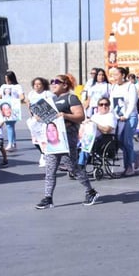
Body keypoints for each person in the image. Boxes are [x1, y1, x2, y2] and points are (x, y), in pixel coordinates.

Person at [34, 74, 99, 209]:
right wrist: (39, 116)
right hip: (52, 139)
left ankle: (90, 191)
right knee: (50, 169)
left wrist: (65, 115)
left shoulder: (71, 98)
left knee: (72, 167)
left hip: (67, 138)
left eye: (57, 81)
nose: (53, 83)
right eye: (52, 81)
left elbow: (80, 116)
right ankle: (48, 198)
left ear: (65, 85)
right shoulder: (51, 100)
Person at [108, 66, 139, 176]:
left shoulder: (130, 86)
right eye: (113, 75)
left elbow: (132, 102)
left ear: (122, 75)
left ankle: (129, 166)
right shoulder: (113, 87)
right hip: (118, 117)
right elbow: (111, 103)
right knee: (118, 141)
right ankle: (135, 156)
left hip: (130, 117)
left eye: (116, 75)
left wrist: (126, 115)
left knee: (127, 141)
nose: (114, 77)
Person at [78, 97, 117, 167]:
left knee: (86, 143)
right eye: (101, 104)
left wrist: (95, 124)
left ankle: (80, 164)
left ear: (109, 106)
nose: (103, 106)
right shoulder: (94, 116)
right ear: (98, 106)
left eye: (106, 104)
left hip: (104, 139)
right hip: (89, 137)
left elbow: (107, 130)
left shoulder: (111, 116)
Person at [0, 70, 25, 150]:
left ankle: (10, 143)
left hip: (13, 107)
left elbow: (21, 96)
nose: (6, 80)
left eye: (8, 78)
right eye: (5, 78)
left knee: (9, 125)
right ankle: (13, 143)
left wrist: (18, 100)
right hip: (4, 107)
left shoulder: (17, 86)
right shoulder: (3, 86)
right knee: (10, 126)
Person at [26, 77, 54, 167]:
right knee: (36, 140)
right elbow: (29, 104)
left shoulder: (47, 94)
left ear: (43, 85)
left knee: (45, 139)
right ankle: (42, 152)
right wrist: (30, 112)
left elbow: (52, 106)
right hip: (35, 120)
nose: (37, 86)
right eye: (35, 84)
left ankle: (45, 155)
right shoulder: (31, 94)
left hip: (45, 120)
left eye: (39, 84)